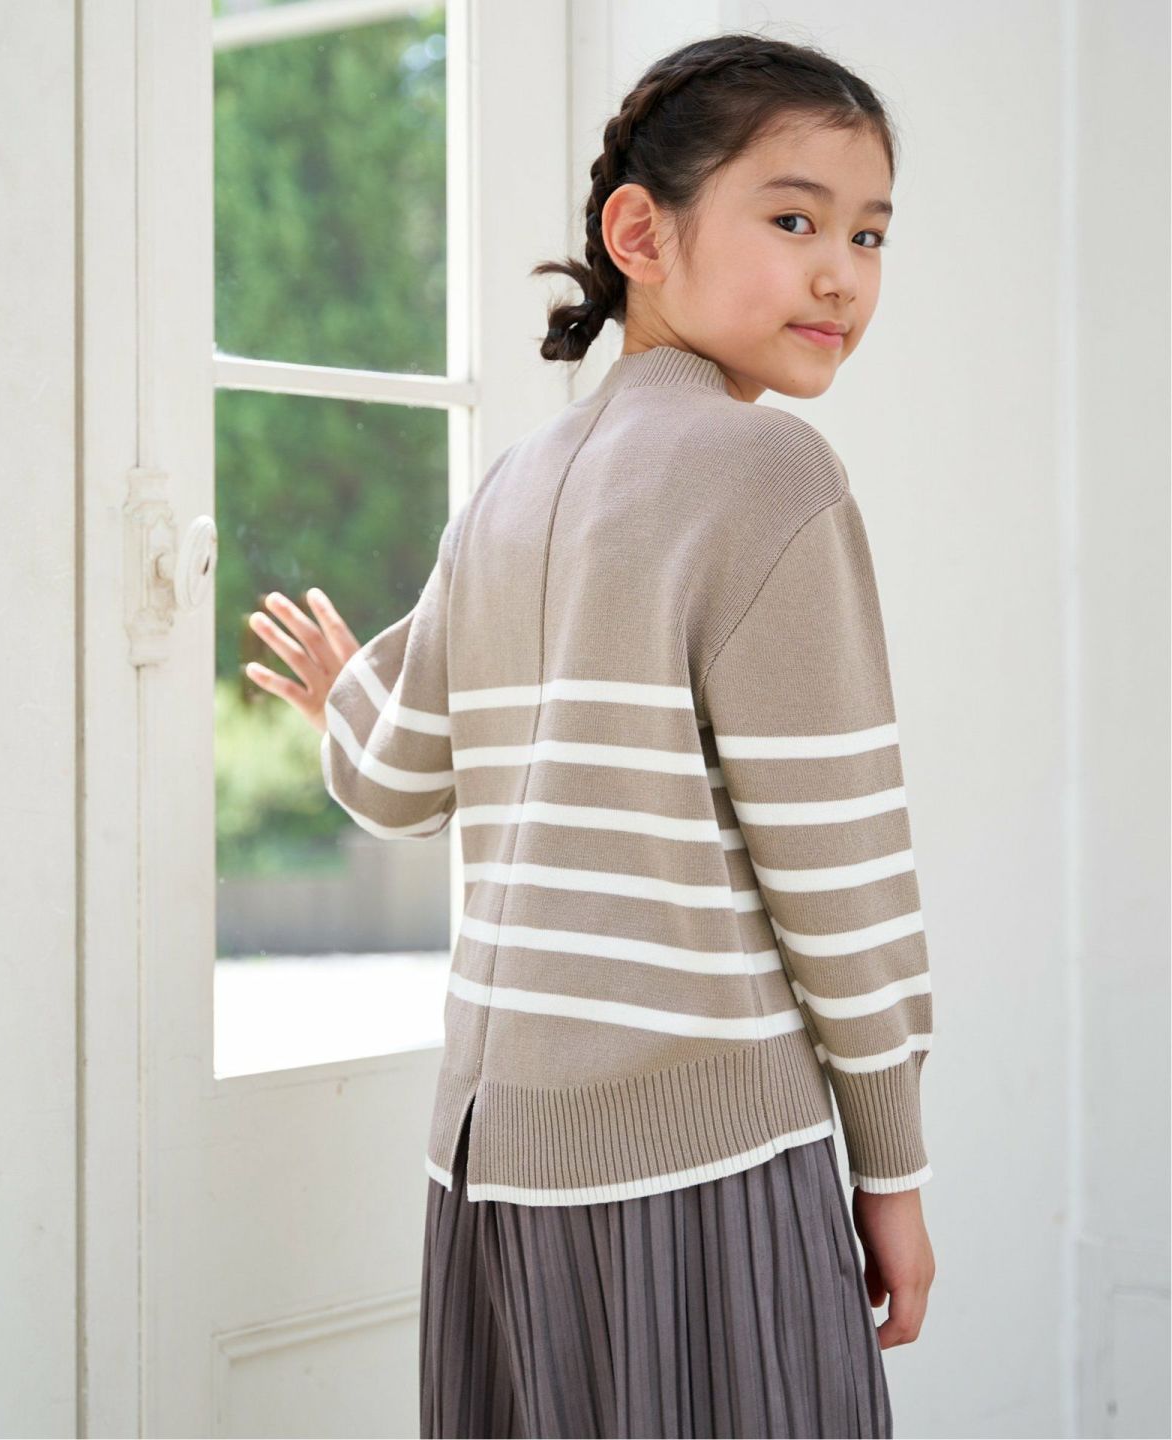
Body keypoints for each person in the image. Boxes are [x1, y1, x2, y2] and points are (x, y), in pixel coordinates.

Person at [246, 30, 936, 1439]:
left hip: (485, 1175)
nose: (840, 274)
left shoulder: (513, 485)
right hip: (701, 1167)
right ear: (641, 234)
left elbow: (397, 776)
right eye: (793, 219)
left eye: (868, 235)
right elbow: (840, 875)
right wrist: (894, 1171)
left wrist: (342, 697)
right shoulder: (767, 471)